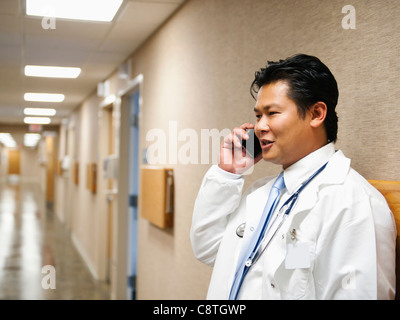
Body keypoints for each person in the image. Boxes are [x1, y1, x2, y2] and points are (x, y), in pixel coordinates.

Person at [190, 54, 396, 300]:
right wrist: (228, 173)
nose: (260, 126)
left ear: (316, 114)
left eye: (272, 113)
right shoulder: (262, 193)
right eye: (258, 116)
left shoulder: (352, 202)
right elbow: (209, 249)